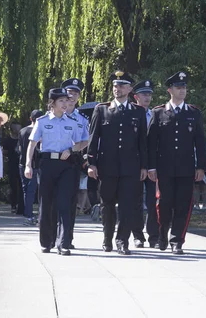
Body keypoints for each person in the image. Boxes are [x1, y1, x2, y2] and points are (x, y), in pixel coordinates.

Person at [87, 71, 148, 255]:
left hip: (131, 167)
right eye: (115, 85)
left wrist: (144, 166)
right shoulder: (102, 109)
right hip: (107, 166)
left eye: (121, 85)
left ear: (129, 89)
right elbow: (93, 138)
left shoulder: (138, 111)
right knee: (107, 204)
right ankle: (107, 239)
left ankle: (122, 240)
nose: (117, 89)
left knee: (127, 205)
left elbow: (142, 142)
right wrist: (91, 163)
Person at [147, 72, 206, 254]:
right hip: (164, 168)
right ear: (169, 90)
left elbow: (200, 142)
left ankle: (177, 240)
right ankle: (162, 233)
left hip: (186, 168)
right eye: (178, 88)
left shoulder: (193, 113)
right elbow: (151, 143)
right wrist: (151, 166)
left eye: (184, 87)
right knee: (164, 204)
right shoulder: (158, 112)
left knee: (183, 204)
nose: (182, 91)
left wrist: (201, 167)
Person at [25, 89, 88, 255]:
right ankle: (47, 241)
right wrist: (27, 165)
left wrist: (72, 149)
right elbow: (32, 144)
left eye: (67, 101)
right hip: (47, 164)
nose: (65, 104)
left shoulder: (72, 121)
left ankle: (64, 242)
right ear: (52, 103)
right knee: (46, 204)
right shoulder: (42, 121)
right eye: (61, 101)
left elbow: (84, 141)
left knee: (65, 203)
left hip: (67, 165)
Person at [130, 79, 159, 248]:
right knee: (135, 201)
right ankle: (138, 235)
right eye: (143, 94)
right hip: (135, 164)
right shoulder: (132, 113)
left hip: (153, 164)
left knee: (153, 202)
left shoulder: (156, 114)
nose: (147, 97)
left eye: (149, 94)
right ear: (136, 97)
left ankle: (154, 236)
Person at [62, 77, 90, 248]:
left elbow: (86, 140)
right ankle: (53, 235)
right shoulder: (54, 115)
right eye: (69, 92)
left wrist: (73, 149)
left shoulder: (82, 119)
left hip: (72, 160)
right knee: (53, 201)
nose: (72, 95)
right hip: (53, 160)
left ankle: (67, 237)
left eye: (75, 93)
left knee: (71, 200)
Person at [18, 110, 44, 226]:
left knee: (25, 190)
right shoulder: (38, 131)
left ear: (30, 118)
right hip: (34, 164)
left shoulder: (22, 131)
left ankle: (27, 213)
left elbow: (19, 148)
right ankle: (30, 215)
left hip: (22, 163)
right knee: (32, 190)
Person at [2, 122, 23, 214]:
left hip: (22, 165)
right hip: (12, 165)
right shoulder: (7, 140)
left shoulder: (22, 139)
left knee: (22, 186)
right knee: (13, 186)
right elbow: (4, 151)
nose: (18, 130)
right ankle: (13, 205)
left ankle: (22, 205)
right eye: (16, 129)